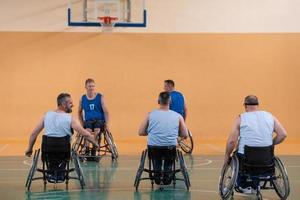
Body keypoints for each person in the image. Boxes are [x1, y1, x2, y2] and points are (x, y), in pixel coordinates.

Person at [224, 95, 287, 192]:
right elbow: (283, 134)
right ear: (258, 105)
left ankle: (244, 185)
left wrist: (227, 155)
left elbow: (232, 141)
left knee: (236, 155)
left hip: (246, 159)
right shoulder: (270, 116)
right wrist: (271, 144)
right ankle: (256, 183)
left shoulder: (241, 118)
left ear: (245, 105)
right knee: (260, 158)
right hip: (266, 158)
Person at [25, 93, 98, 157]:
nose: (72, 105)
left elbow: (34, 133)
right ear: (63, 104)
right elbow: (86, 135)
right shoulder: (70, 118)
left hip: (48, 151)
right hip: (63, 152)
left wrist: (29, 149)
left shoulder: (46, 115)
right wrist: (95, 144)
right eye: (70, 103)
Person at [138, 92, 188, 185]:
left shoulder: (150, 115)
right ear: (170, 102)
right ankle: (167, 176)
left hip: (154, 149)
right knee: (169, 158)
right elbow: (185, 134)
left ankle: (157, 176)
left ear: (158, 101)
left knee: (156, 157)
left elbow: (140, 132)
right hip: (170, 149)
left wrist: (150, 132)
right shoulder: (178, 116)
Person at [78, 78, 110, 157]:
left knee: (97, 129)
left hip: (99, 120)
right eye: (89, 86)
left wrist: (107, 124)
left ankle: (93, 147)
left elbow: (106, 111)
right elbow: (79, 112)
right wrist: (82, 124)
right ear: (85, 87)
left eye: (93, 86)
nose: (91, 88)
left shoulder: (100, 97)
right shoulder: (82, 99)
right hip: (88, 120)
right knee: (87, 130)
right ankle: (88, 148)